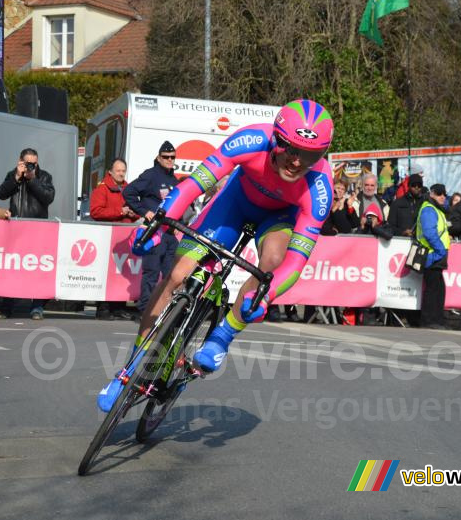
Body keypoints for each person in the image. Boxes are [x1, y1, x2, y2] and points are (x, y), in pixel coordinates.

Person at [97, 98, 335, 410]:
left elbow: (296, 261)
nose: (297, 162)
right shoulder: (251, 139)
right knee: (177, 275)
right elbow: (193, 186)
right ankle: (129, 370)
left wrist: (266, 295)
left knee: (273, 261)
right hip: (234, 203)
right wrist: (158, 224)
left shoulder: (320, 187)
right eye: (291, 149)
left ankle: (222, 336)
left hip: (279, 218)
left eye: (310, 155)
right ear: (276, 139)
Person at [0, 148, 55, 319]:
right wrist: (16, 177)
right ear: (20, 161)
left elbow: (48, 198)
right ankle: (6, 307)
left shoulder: (44, 176)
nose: (31, 166)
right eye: (28, 163)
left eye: (34, 163)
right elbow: (0, 194)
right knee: (12, 268)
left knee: (37, 269)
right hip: (16, 229)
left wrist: (32, 180)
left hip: (37, 229)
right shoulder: (13, 174)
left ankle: (37, 307)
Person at [123, 142, 181, 313]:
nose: (169, 160)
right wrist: (144, 211)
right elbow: (128, 192)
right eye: (166, 157)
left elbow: (177, 204)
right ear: (158, 157)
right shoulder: (150, 175)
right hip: (154, 232)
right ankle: (145, 311)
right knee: (152, 273)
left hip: (169, 233)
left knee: (171, 276)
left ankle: (164, 311)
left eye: (172, 157)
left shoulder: (174, 179)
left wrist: (178, 223)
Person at [90, 158, 138, 320]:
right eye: (118, 170)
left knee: (121, 273)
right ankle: (103, 308)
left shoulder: (128, 188)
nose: (121, 173)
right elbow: (96, 212)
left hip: (124, 238)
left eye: (123, 170)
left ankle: (118, 307)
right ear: (110, 172)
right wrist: (120, 211)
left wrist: (133, 213)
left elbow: (136, 210)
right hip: (107, 238)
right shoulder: (102, 189)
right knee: (106, 273)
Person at [416, 183, 450, 329]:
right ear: (432, 194)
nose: (442, 196)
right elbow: (429, 233)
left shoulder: (435, 208)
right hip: (432, 255)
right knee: (433, 290)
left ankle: (436, 320)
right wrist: (441, 250)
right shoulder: (429, 209)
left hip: (435, 255)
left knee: (438, 289)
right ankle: (429, 321)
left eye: (444, 194)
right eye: (439, 193)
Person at [388, 173, 426, 237]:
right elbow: (390, 226)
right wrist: (402, 232)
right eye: (414, 185)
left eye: (419, 185)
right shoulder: (397, 203)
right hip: (402, 240)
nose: (416, 187)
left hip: (420, 241)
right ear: (409, 186)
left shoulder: (425, 204)